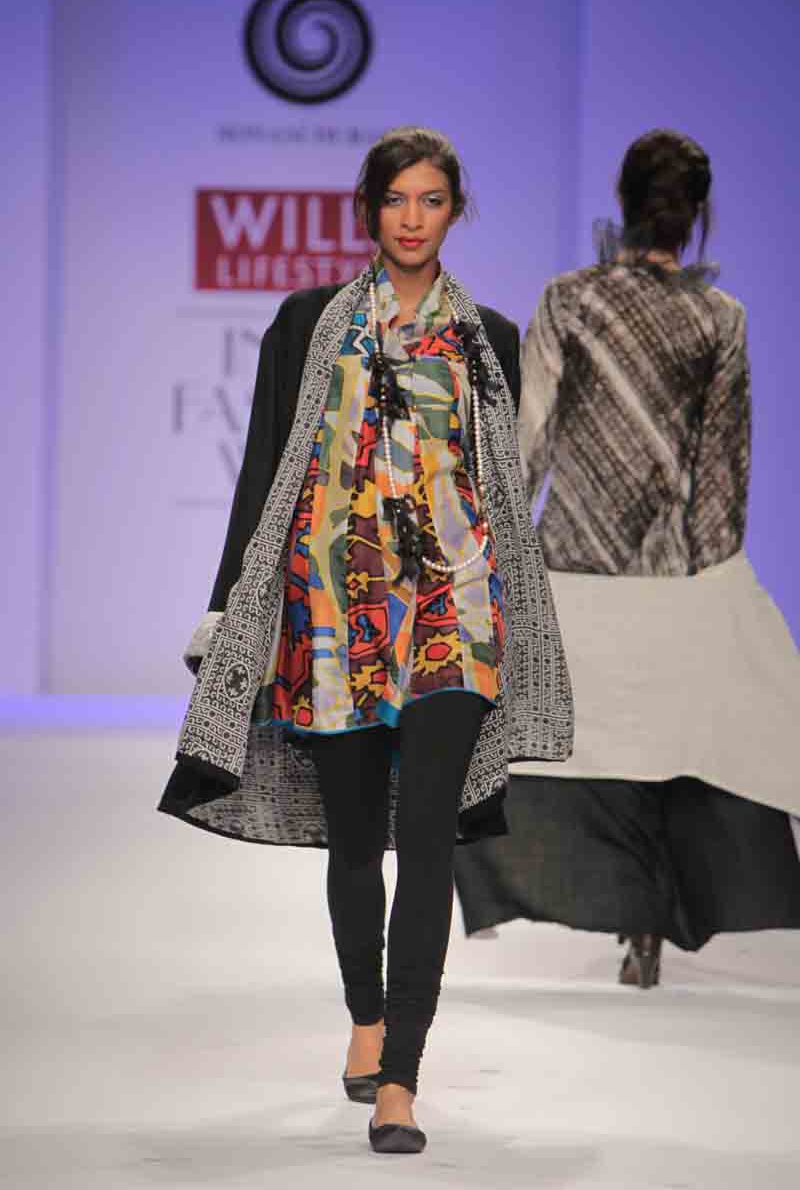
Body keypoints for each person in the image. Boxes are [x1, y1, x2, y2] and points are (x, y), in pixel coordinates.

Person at [158, 126, 573, 1153]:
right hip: (332, 614)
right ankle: (365, 1016)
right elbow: (265, 472)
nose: (411, 218)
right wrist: (230, 611)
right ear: (368, 208)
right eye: (395, 198)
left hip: (451, 614)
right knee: (353, 844)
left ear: (454, 211)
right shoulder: (308, 324)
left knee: (426, 837)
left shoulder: (489, 339)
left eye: (430, 199)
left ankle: (400, 1080)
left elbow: (502, 488)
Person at [454, 129, 800, 988]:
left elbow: (528, 437)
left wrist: (495, 548)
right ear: (698, 212)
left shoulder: (570, 301)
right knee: (671, 749)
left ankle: (612, 909)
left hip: (574, 563)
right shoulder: (720, 318)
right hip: (670, 569)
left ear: (622, 198)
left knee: (587, 750)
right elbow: (723, 469)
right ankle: (649, 928)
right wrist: (713, 579)